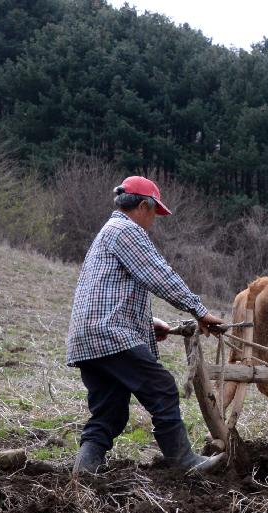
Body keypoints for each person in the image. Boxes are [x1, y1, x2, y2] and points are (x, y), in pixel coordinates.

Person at [66, 176, 226, 475]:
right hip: (109, 334)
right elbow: (159, 275)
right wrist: (200, 311)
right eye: (154, 213)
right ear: (143, 205)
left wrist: (147, 323)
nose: (154, 220)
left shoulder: (107, 233)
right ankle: (184, 463)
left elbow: (105, 292)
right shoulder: (127, 230)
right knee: (162, 388)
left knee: (109, 412)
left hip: (89, 336)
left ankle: (84, 472)